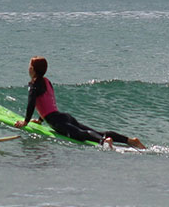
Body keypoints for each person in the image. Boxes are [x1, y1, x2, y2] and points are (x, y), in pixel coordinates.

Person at [13, 56, 146, 149]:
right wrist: (40, 120)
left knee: (81, 134)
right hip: (64, 116)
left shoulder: (33, 84)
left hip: (56, 120)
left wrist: (25, 122)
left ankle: (104, 141)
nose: (28, 68)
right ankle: (130, 141)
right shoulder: (47, 82)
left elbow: (32, 103)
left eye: (30, 66)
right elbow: (46, 101)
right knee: (95, 131)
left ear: (33, 69)